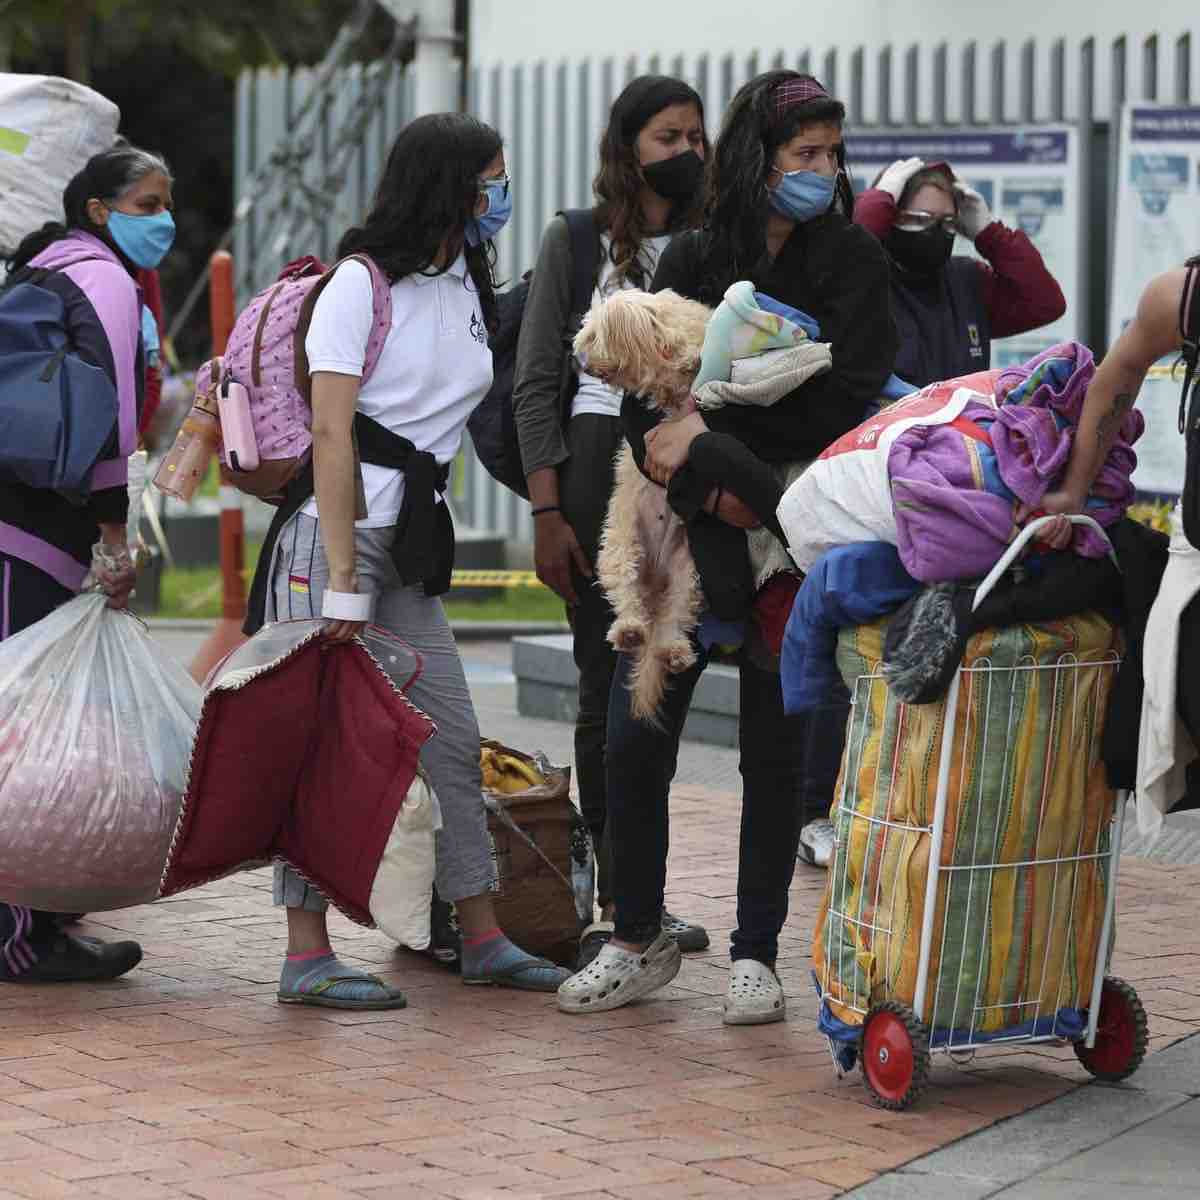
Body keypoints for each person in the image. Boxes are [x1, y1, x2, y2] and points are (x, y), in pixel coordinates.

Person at [556, 71, 896, 1023]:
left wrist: (732, 455)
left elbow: (846, 397)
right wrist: (704, 475)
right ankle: (636, 935)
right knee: (635, 737)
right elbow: (641, 390)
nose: (823, 172)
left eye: (832, 154)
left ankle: (758, 953)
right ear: (760, 158)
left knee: (775, 750)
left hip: (791, 530)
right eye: (804, 155)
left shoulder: (854, 265)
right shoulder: (697, 253)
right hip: (685, 534)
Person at [247, 113, 571, 1009]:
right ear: (449, 186)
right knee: (317, 748)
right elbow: (330, 430)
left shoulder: (467, 280)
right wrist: (345, 573)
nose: (502, 197)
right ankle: (304, 954)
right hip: (333, 539)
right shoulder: (359, 285)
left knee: (453, 739)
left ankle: (482, 935)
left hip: (409, 539)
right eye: (491, 181)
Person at [513, 75, 711, 965]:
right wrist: (549, 510)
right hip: (597, 469)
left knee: (665, 685)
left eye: (698, 137)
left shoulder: (714, 242)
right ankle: (615, 900)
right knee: (607, 679)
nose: (688, 152)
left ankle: (646, 895)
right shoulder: (577, 238)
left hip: (693, 464)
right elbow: (532, 385)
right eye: (669, 136)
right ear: (628, 145)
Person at [0, 141, 168, 983]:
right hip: (31, 533)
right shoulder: (100, 279)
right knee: (22, 732)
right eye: (146, 205)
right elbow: (108, 422)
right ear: (100, 211)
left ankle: (36, 916)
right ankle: (21, 936)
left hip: (22, 525)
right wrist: (113, 539)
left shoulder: (55, 268)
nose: (164, 221)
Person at [854, 157, 1065, 387]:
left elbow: (1045, 303)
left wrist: (990, 233)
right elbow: (844, 259)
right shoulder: (863, 283)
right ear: (888, 218)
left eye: (946, 222)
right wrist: (876, 201)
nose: (934, 231)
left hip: (962, 422)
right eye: (920, 219)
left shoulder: (967, 280)